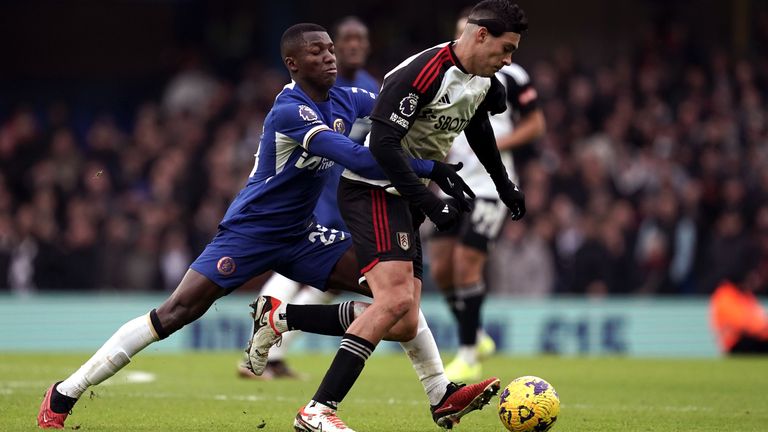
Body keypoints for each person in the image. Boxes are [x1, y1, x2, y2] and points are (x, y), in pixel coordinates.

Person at [37, 23, 485, 430]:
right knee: (175, 314)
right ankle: (64, 392)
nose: (329, 57)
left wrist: (479, 93)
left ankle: (438, 393)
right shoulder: (289, 110)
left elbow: (403, 105)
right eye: (316, 52)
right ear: (292, 64)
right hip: (250, 232)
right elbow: (358, 156)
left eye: (330, 50)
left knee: (396, 296)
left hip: (302, 233)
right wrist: (429, 167)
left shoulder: (349, 98)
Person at [249, 2, 528, 430]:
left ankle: (282, 318)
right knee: (395, 302)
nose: (508, 61)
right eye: (506, 49)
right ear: (480, 36)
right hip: (373, 191)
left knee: (405, 320)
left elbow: (476, 127)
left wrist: (504, 185)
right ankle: (318, 409)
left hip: (407, 195)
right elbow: (381, 145)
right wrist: (430, 200)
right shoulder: (419, 73)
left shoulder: (481, 77)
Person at [239, 16, 381, 380]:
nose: (350, 47)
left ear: (365, 47)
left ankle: (274, 346)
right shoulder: (308, 89)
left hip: (354, 197)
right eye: (344, 39)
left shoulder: (367, 88)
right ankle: (262, 339)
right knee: (291, 265)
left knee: (331, 286)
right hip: (318, 196)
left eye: (357, 40)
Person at [428, 10, 545, 382]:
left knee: (466, 264)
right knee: (442, 268)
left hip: (492, 189)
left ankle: (467, 355)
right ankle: (474, 332)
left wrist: (493, 147)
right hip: (453, 185)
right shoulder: (445, 74)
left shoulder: (511, 75)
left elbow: (536, 124)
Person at [710, 248, 768, 354]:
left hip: (753, 337)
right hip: (736, 343)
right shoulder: (725, 293)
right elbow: (742, 323)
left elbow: (760, 318)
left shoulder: (747, 295)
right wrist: (762, 329)